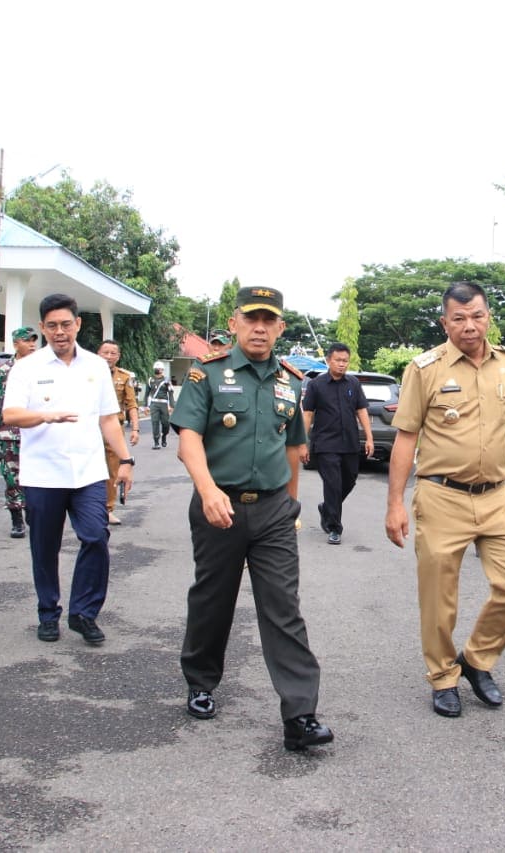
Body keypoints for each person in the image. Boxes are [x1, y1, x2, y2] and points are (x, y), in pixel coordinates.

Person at [171, 285, 333, 752]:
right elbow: (188, 441)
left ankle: (300, 714)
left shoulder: (291, 382)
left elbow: (292, 449)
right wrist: (207, 492)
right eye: (251, 319)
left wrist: (293, 506)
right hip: (217, 507)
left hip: (273, 512)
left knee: (283, 609)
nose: (259, 328)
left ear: (280, 328)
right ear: (235, 323)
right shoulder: (208, 375)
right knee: (212, 600)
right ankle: (201, 682)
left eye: (269, 321)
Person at [385, 281, 505, 719]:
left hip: (497, 498)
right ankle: (443, 676)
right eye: (459, 318)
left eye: (477, 316)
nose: (470, 326)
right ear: (444, 321)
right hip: (441, 496)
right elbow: (406, 437)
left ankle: (477, 660)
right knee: (439, 596)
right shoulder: (424, 369)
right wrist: (395, 502)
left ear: (488, 317)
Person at [1, 294, 136, 646]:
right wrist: (47, 415)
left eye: (66, 324)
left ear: (78, 325)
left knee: (96, 536)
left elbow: (108, 418)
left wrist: (125, 460)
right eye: (52, 326)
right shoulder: (27, 367)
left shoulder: (95, 366)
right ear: (43, 328)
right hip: (43, 474)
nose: (59, 332)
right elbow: (10, 415)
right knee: (44, 547)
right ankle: (48, 612)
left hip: (88, 472)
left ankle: (84, 613)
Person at [301, 342, 373, 545]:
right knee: (332, 484)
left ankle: (327, 508)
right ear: (328, 361)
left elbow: (362, 411)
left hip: (349, 442)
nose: (342, 364)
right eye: (338, 360)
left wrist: (369, 438)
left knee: (349, 480)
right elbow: (307, 414)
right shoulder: (316, 385)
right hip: (325, 444)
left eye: (345, 361)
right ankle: (334, 527)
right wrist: (303, 443)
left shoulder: (353, 384)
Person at [0, 327, 40, 538]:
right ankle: (17, 518)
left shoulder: (44, 369)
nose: (33, 344)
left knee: (36, 476)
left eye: (34, 340)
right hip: (11, 434)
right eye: (27, 341)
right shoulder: (3, 371)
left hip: (37, 433)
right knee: (11, 476)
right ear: (16, 343)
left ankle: (33, 513)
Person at [97, 339, 141, 524]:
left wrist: (136, 428)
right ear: (98, 354)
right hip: (90, 428)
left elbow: (131, 404)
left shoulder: (124, 377)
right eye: (105, 352)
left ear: (118, 356)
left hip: (114, 429)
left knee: (113, 470)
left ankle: (108, 509)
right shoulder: (88, 375)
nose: (108, 356)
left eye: (113, 353)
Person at [146, 364, 172, 449]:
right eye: (156, 368)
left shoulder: (166, 380)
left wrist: (172, 405)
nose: (157, 369)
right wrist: (145, 406)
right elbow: (147, 393)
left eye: (159, 368)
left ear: (162, 370)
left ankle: (164, 435)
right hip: (154, 404)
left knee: (166, 423)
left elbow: (170, 393)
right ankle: (156, 442)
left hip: (164, 404)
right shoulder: (150, 380)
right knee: (155, 422)